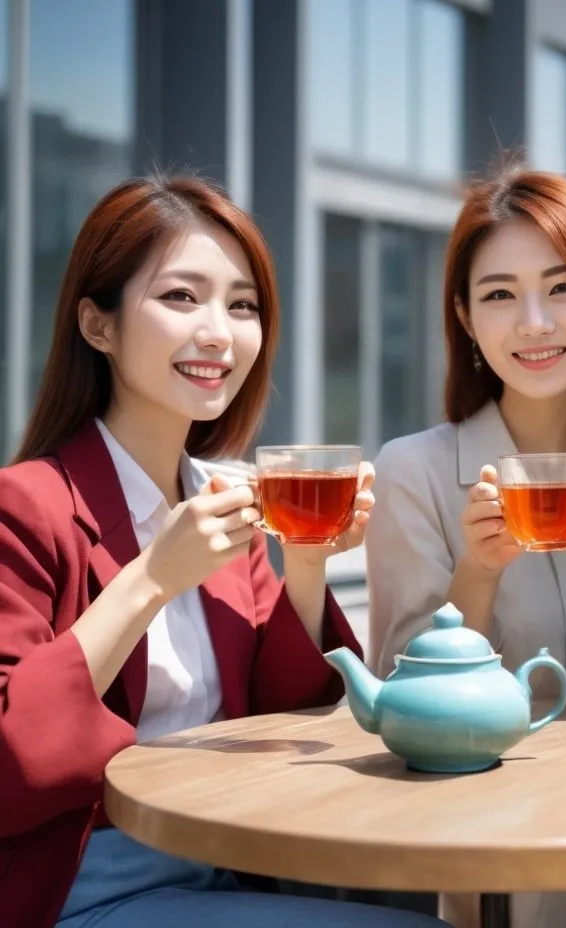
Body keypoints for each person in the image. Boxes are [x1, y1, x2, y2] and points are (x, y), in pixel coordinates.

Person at [0, 175, 446, 928]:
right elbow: (11, 763)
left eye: (242, 305)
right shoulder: (27, 506)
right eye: (181, 297)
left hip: (237, 863)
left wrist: (305, 560)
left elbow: (282, 717)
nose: (219, 332)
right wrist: (149, 579)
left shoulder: (222, 497)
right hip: (84, 889)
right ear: (96, 324)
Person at [366, 167, 566, 928]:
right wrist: (477, 575)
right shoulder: (415, 469)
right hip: (497, 858)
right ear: (464, 317)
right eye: (498, 294)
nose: (533, 323)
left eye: (563, 288)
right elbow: (400, 705)